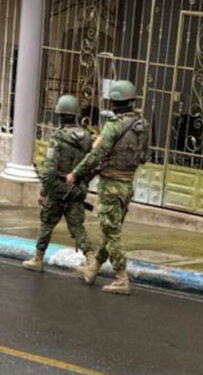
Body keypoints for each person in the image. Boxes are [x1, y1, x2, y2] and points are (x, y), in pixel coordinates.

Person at [67, 80, 149, 295]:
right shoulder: (142, 126)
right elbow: (145, 158)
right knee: (110, 230)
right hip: (127, 185)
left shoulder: (114, 126)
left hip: (111, 185)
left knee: (112, 234)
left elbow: (95, 155)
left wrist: (75, 174)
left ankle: (122, 278)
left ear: (115, 102)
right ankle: (93, 268)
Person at [22, 95, 94, 272]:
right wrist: (82, 184)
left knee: (47, 223)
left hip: (58, 189)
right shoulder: (87, 138)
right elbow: (92, 164)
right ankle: (91, 260)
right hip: (76, 189)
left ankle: (38, 258)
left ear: (60, 115)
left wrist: (43, 191)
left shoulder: (58, 138)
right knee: (77, 226)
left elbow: (49, 169)